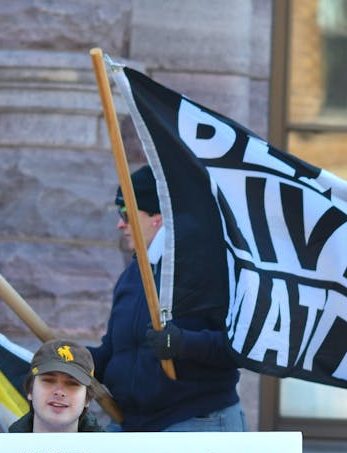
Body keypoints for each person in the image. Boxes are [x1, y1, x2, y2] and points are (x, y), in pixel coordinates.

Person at [90, 164, 244, 432]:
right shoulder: (133, 274)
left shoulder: (207, 268)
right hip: (133, 424)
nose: (120, 223)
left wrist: (184, 343)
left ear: (157, 217)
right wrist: (76, 359)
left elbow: (243, 345)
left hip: (195, 422)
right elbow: (116, 352)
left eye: (126, 213)